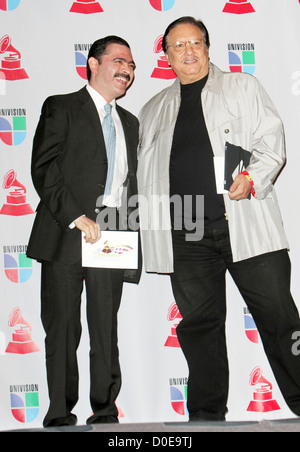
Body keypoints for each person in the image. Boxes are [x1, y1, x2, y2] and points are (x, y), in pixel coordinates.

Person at [137, 16, 300, 421]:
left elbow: (272, 143)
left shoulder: (242, 86)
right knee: (200, 331)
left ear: (208, 48)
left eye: (196, 43)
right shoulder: (152, 108)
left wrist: (251, 178)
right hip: (187, 233)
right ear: (167, 56)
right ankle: (206, 420)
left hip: (246, 225)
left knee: (282, 321)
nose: (188, 51)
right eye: (178, 45)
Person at [27, 36, 141, 427]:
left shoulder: (130, 122)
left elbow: (132, 185)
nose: (127, 70)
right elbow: (45, 167)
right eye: (119, 61)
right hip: (66, 230)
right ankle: (60, 413)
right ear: (93, 63)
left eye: (132, 65)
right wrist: (77, 217)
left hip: (113, 232)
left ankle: (105, 411)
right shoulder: (61, 106)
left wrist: (132, 231)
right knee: (62, 328)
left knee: (105, 328)